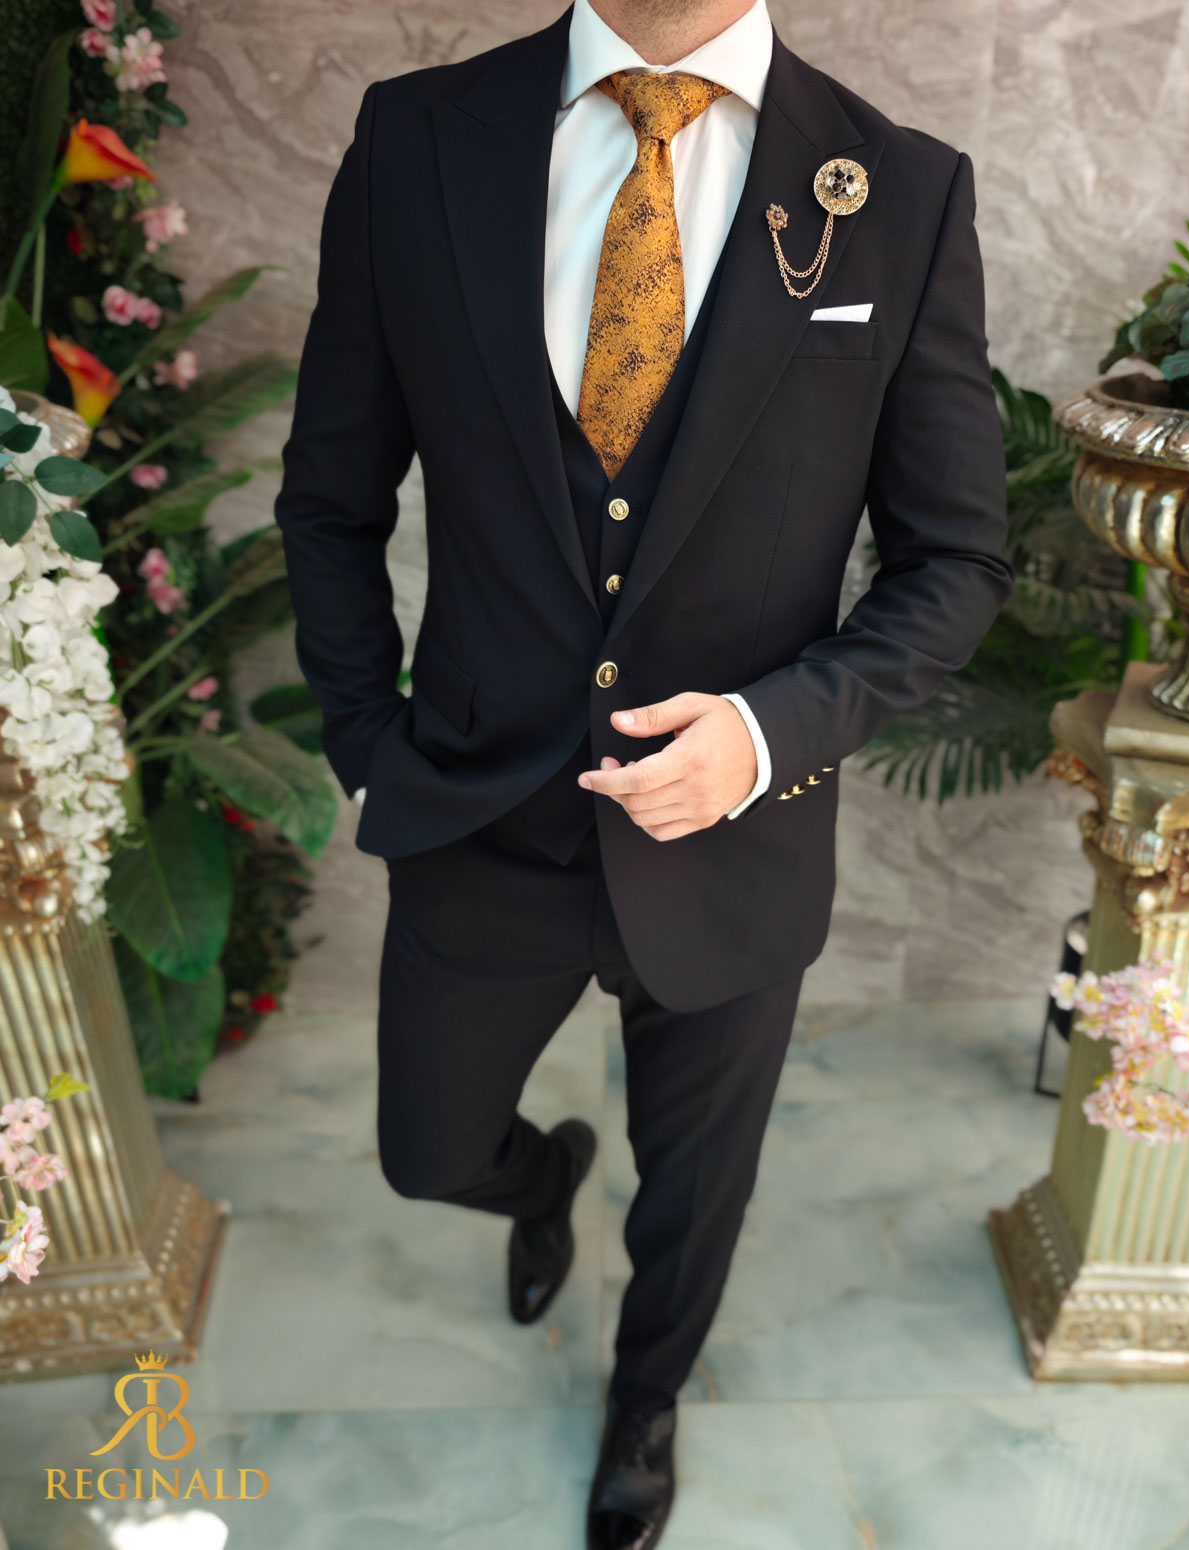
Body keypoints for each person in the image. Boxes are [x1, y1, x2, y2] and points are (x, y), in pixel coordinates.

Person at [274, 0, 1014, 1542]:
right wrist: (362, 739)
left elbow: (953, 561)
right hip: (478, 801)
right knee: (426, 1150)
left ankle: (647, 1396)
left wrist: (769, 732)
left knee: (695, 1190)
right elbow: (332, 494)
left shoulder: (902, 188)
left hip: (739, 834)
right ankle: (541, 1179)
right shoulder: (417, 141)